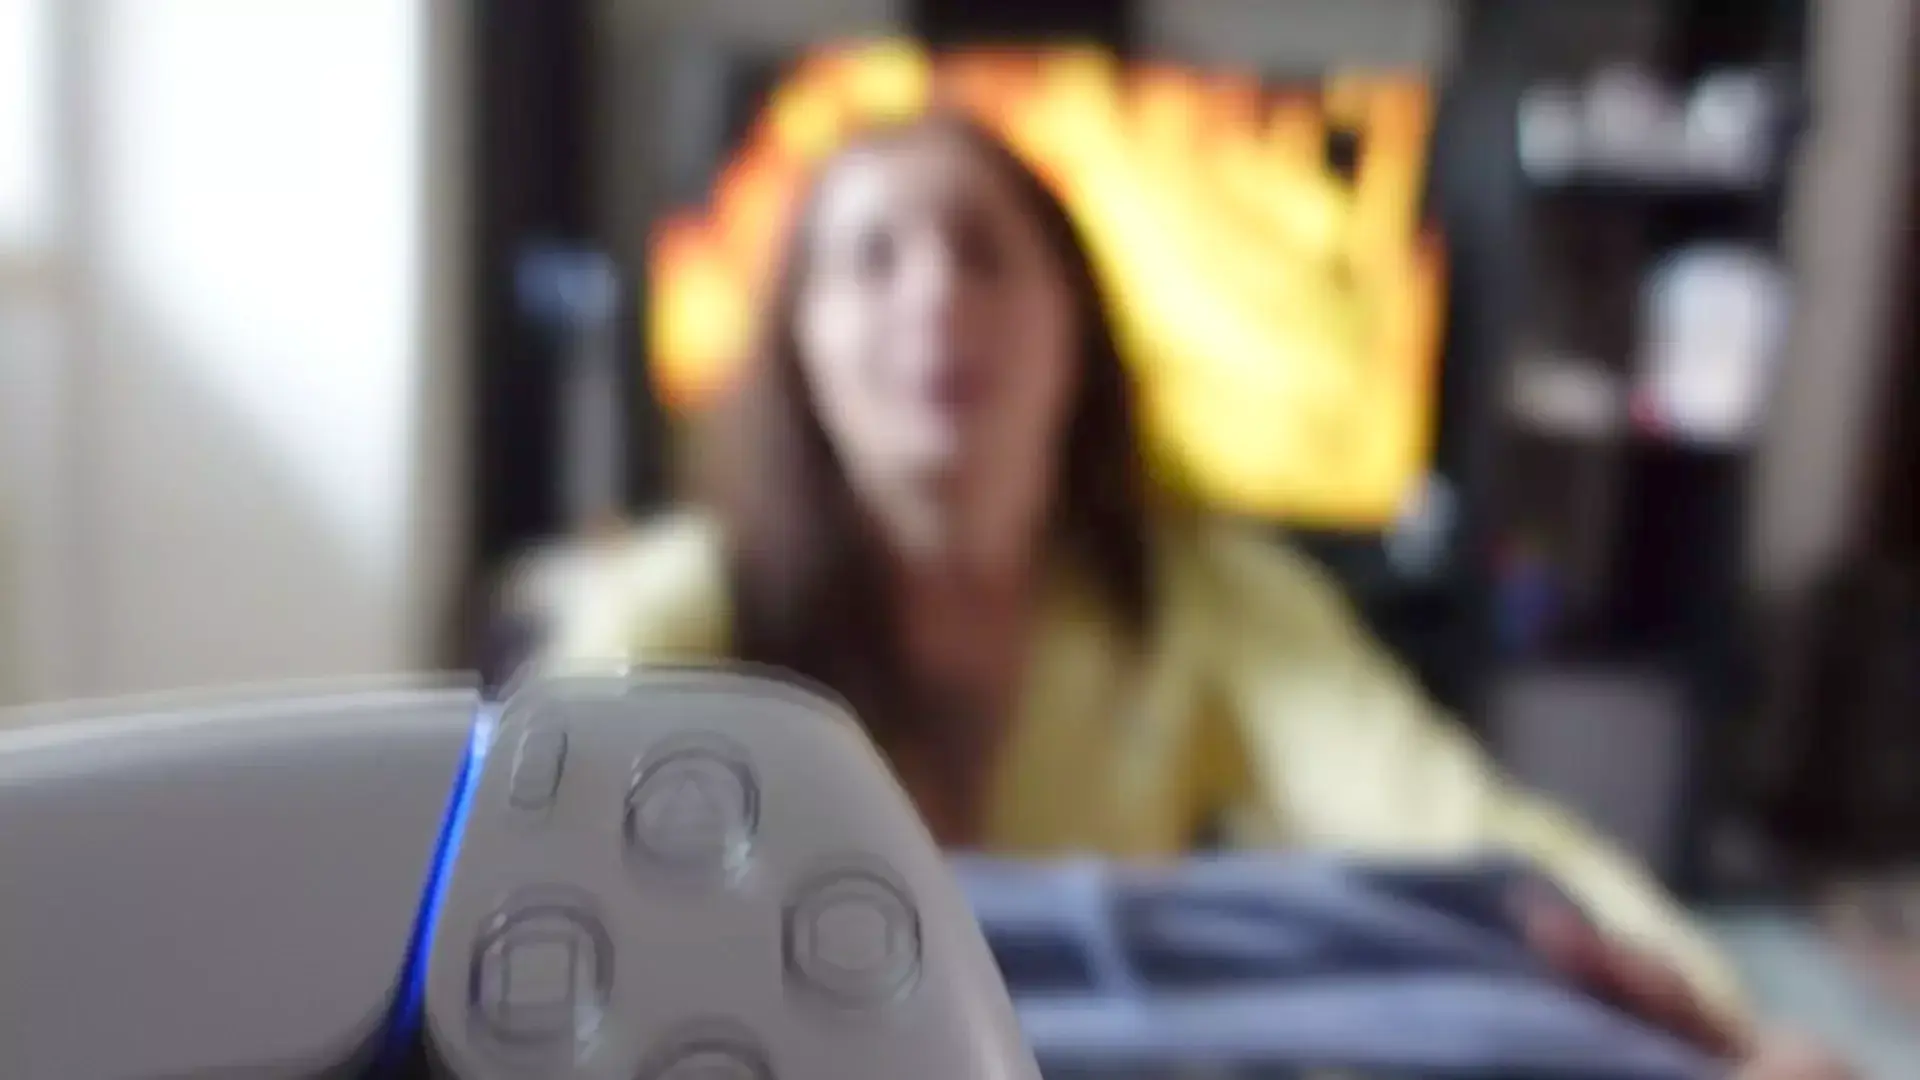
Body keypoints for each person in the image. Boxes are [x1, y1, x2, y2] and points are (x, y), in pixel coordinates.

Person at [549, 113, 1848, 1078]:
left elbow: (1456, 826)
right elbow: (544, 877)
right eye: (871, 260)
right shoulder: (678, 607)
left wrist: (1719, 1019)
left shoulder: (1209, 598)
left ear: (1075, 328)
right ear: (799, 343)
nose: (934, 295)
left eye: (985, 253)